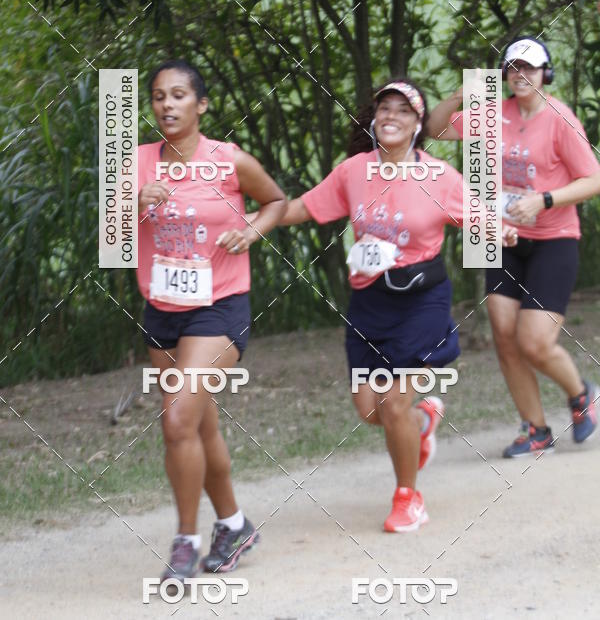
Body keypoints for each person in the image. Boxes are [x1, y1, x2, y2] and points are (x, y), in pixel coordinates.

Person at [274, 79, 516, 531]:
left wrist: (498, 230)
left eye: (404, 111)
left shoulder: (439, 176)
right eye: (384, 108)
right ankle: (425, 419)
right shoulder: (353, 172)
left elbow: (476, 214)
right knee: (370, 410)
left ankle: (409, 497)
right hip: (370, 301)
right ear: (373, 119)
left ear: (418, 124)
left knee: (391, 404)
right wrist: (251, 217)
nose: (391, 116)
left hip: (421, 301)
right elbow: (302, 208)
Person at [136, 59, 286, 581]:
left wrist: (251, 231)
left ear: (200, 105)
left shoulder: (228, 159)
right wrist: (132, 204)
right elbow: (109, 240)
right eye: (158, 96)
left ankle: (185, 541)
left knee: (177, 418)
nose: (167, 104)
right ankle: (234, 523)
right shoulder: (134, 162)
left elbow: (275, 201)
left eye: (179, 95)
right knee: (199, 423)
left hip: (219, 305)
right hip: (161, 308)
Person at [427, 37, 600, 457]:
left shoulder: (559, 117)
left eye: (532, 68)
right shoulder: (491, 113)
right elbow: (433, 129)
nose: (523, 76)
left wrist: (543, 200)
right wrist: (458, 96)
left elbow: (593, 180)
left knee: (535, 341)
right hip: (498, 235)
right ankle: (536, 429)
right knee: (504, 336)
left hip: (553, 238)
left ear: (546, 73)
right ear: (505, 74)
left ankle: (582, 395)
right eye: (515, 68)